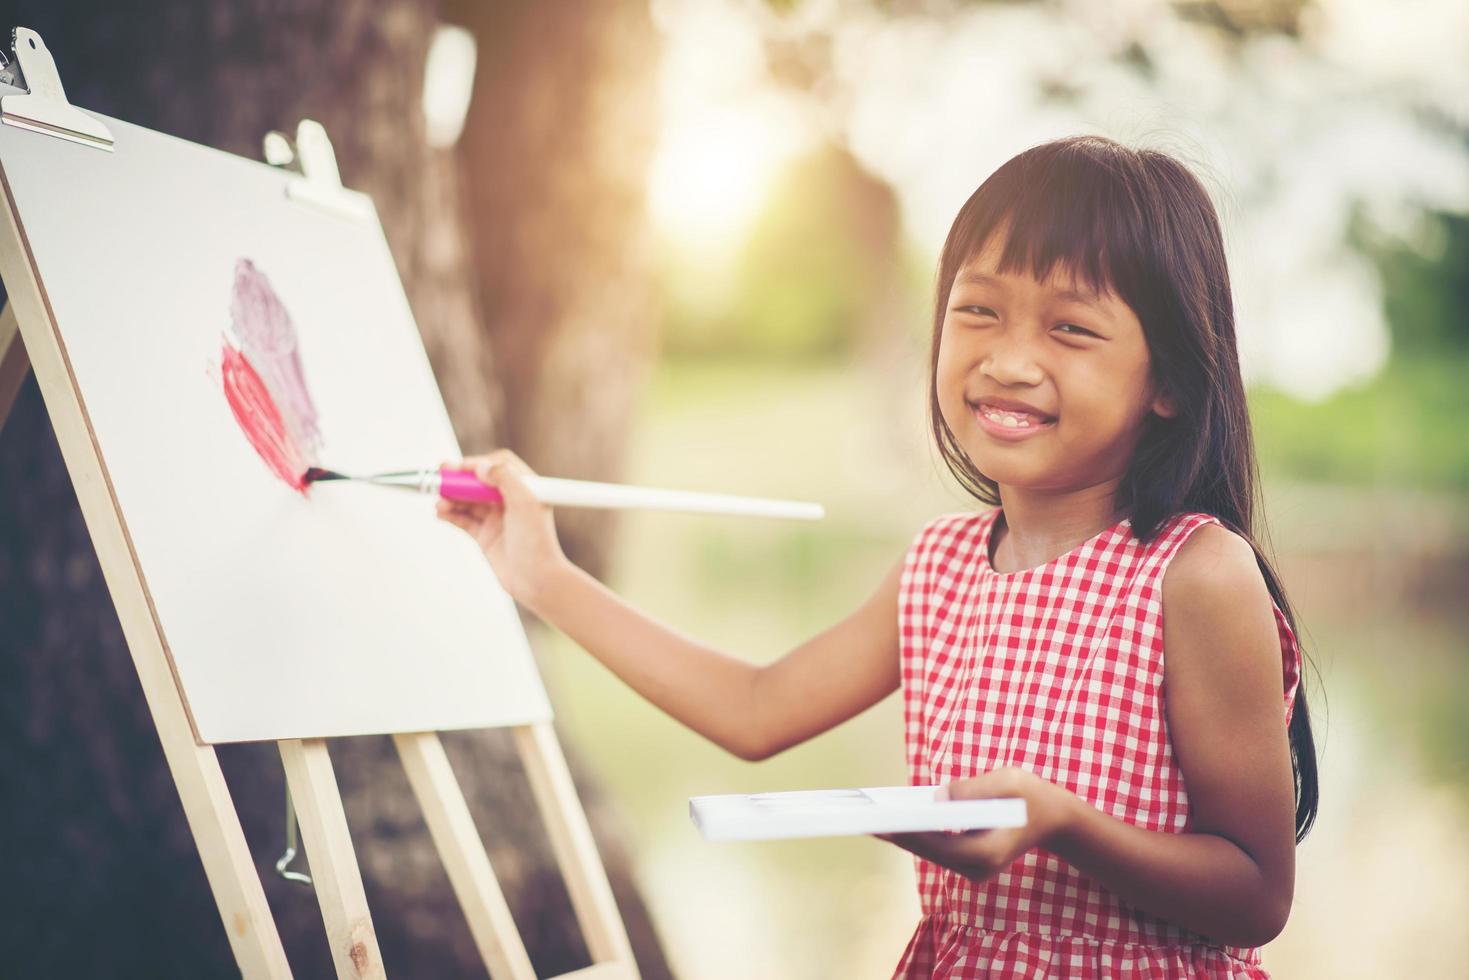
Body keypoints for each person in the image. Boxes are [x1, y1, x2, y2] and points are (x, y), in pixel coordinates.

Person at [436, 134, 1319, 979]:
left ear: (1167, 379)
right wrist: (541, 576)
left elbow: (1254, 896)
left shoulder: (1194, 575)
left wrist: (1060, 824)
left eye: (1071, 331)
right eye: (978, 311)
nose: (1008, 361)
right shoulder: (940, 564)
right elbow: (755, 710)